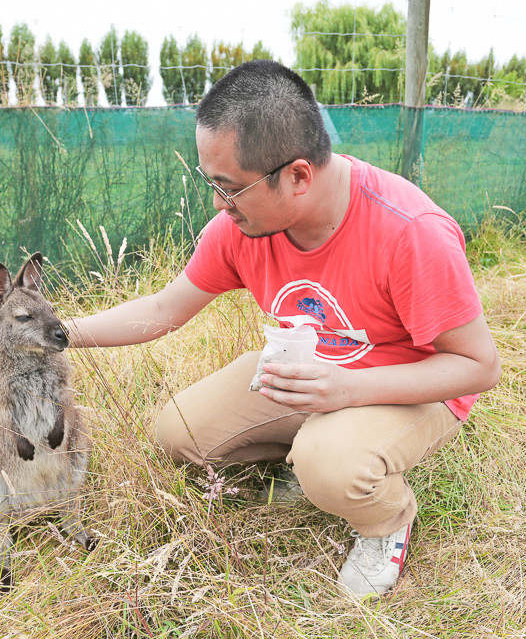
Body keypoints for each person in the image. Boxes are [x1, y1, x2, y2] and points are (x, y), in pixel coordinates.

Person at [65, 60, 501, 598]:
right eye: (211, 183)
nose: (219, 205)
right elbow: (163, 309)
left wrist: (349, 390)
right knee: (178, 434)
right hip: (313, 374)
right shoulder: (241, 228)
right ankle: (314, 457)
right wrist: (56, 332)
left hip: (410, 386)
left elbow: (478, 367)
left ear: (297, 175)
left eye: (230, 188)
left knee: (331, 465)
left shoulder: (410, 233)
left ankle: (385, 521)